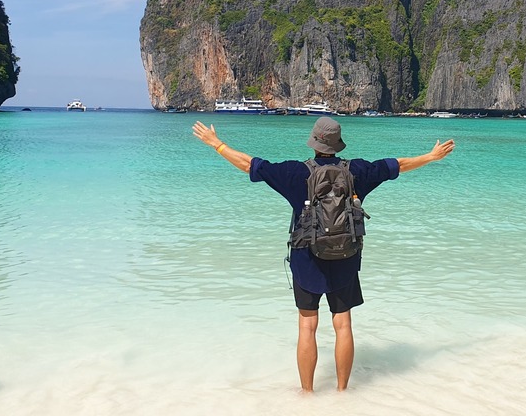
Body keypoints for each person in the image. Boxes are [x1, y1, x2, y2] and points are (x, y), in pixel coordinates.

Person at [192, 116, 454, 392]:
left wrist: (216, 144)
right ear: (337, 145)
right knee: (343, 324)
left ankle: (307, 394)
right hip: (346, 256)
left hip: (307, 258)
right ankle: (343, 393)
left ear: (314, 142)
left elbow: (250, 165)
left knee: (307, 326)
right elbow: (397, 165)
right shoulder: (358, 171)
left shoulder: (296, 173)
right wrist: (431, 156)